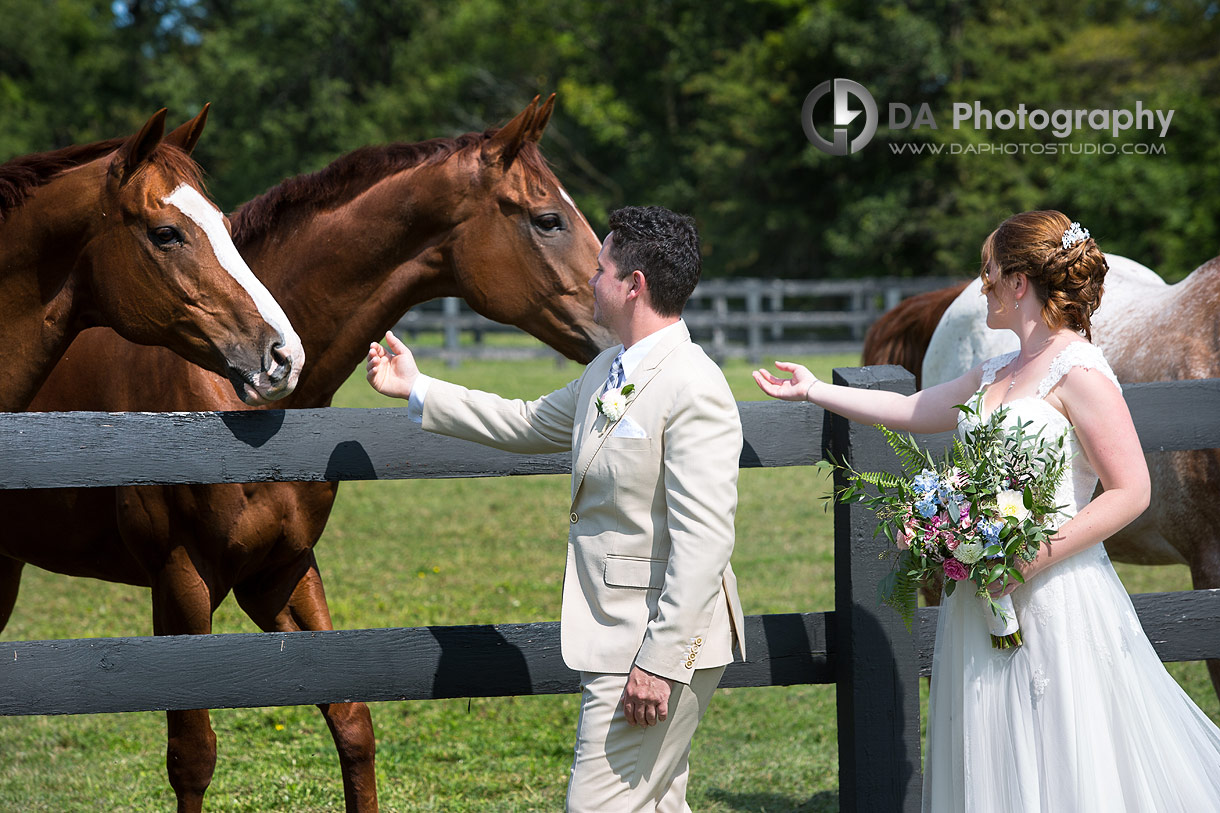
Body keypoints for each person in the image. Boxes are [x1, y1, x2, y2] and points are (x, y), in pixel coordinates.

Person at [754, 210, 1220, 811]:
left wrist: (1028, 560)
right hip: (979, 597)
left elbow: (1132, 490)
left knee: (1064, 755)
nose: (982, 287)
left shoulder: (1080, 372)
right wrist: (815, 390)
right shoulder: (1001, 368)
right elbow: (919, 409)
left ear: (1020, 283)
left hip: (1055, 596)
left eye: (989, 272)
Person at [366, 205, 744, 812]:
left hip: (654, 646)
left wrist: (660, 662)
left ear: (633, 284)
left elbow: (705, 543)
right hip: (623, 637)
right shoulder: (606, 369)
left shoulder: (694, 386)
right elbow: (524, 421)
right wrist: (419, 388)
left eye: (600, 269)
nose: (588, 280)